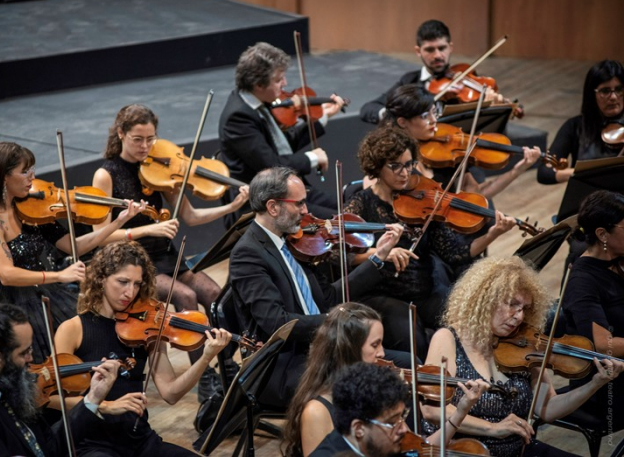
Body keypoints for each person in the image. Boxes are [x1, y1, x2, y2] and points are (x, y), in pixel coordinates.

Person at [229, 166, 403, 407]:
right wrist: (334, 321)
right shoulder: (248, 254)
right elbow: (276, 322)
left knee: (408, 363)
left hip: (321, 349)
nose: (306, 211)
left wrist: (378, 257)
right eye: (298, 204)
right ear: (272, 207)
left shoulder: (293, 242)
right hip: (287, 364)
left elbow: (329, 295)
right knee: (376, 385)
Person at [421, 256, 624, 457]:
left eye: (525, 309)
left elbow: (548, 409)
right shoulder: (448, 339)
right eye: (511, 304)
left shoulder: (526, 346)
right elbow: (432, 411)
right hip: (464, 451)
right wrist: (492, 428)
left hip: (518, 449)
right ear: (484, 299)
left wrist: (595, 384)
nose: (519, 317)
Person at [93, 104, 247, 365]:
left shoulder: (159, 170)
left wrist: (231, 207)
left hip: (166, 255)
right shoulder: (105, 175)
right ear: (120, 133)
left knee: (214, 293)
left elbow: (190, 216)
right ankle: (203, 372)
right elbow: (101, 235)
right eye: (137, 139)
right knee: (184, 295)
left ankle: (226, 364)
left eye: (150, 139)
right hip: (131, 263)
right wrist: (149, 229)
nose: (145, 146)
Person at [345, 125, 515, 358]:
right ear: (376, 166)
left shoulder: (423, 198)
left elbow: (456, 252)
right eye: (395, 166)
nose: (405, 173)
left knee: (471, 321)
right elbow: (340, 255)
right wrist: (379, 253)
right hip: (383, 294)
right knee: (414, 340)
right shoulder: (361, 204)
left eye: (409, 164)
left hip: (425, 290)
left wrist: (493, 233)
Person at [0, 141, 143, 363]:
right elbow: (7, 274)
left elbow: (75, 247)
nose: (32, 177)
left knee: (98, 326)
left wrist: (118, 222)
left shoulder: (29, 211)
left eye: (32, 170)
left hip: (49, 294)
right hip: (20, 306)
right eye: (24, 171)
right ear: (3, 176)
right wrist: (60, 275)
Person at [53, 240, 231, 456]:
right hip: (92, 444)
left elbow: (171, 393)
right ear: (100, 279)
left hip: (139, 440)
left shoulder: (148, 330)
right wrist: (107, 405)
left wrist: (205, 357)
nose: (130, 292)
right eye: (123, 281)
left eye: (137, 284)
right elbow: (53, 399)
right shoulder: (72, 329)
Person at [283, 302, 490, 457]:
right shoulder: (317, 412)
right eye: (375, 345)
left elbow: (421, 449)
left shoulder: (377, 394)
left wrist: (461, 410)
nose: (382, 353)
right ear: (350, 348)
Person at [0, 302, 121, 457]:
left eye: (30, 350)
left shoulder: (8, 383)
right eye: (24, 353)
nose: (31, 360)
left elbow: (49, 446)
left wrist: (94, 397)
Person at [218, 41, 345, 224]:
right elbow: (272, 165)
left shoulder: (259, 102)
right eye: (278, 80)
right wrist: (313, 158)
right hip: (268, 206)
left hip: (290, 194)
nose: (284, 84)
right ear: (258, 84)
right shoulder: (238, 118)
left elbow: (284, 143)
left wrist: (323, 117)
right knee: (340, 222)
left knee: (351, 207)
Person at [386, 84, 541, 199]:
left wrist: (517, 170)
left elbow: (477, 195)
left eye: (435, 112)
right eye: (425, 116)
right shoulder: (391, 161)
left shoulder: (446, 154)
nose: (434, 121)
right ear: (402, 122)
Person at [360, 20, 503, 125]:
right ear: (418, 51)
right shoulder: (409, 81)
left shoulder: (466, 78)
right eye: (430, 50)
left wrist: (490, 109)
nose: (437, 55)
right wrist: (392, 114)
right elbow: (368, 109)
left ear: (450, 47)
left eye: (442, 48)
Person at [562, 190, 624, 431]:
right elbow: (603, 345)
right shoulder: (582, 281)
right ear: (602, 234)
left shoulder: (616, 258)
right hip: (607, 384)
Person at [537, 60, 623, 185]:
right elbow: (544, 173)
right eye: (605, 91)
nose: (614, 97)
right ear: (591, 94)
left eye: (619, 89)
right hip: (588, 200)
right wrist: (583, 173)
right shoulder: (575, 126)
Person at [308, 362, 408, 457]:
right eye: (391, 423)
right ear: (359, 429)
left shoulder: (381, 449)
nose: (404, 429)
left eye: (402, 416)